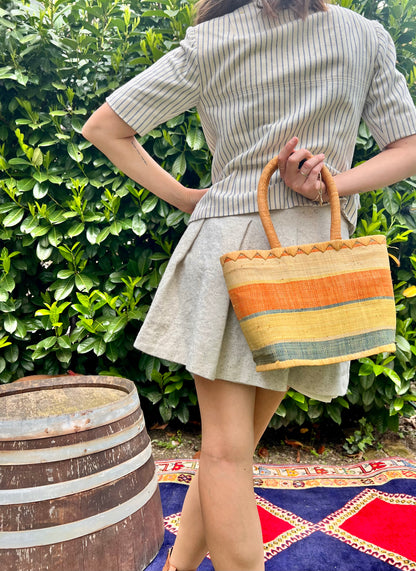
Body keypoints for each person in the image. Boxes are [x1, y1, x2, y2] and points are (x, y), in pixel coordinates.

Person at [82, 0, 416, 569]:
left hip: (230, 252)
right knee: (229, 453)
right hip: (311, 262)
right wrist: (330, 183)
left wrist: (187, 197)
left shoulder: (213, 40)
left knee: (225, 453)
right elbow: (407, 146)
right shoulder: (366, 37)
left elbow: (106, 127)